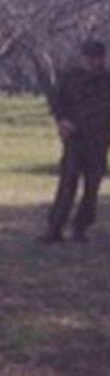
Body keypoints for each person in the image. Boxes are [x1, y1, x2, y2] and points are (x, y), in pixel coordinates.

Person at [41, 40, 110, 243]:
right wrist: (61, 120)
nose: (91, 61)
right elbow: (58, 102)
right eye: (88, 57)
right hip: (75, 139)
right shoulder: (71, 78)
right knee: (67, 183)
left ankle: (81, 229)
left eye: (96, 57)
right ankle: (55, 228)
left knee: (91, 187)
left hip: (98, 141)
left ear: (103, 58)